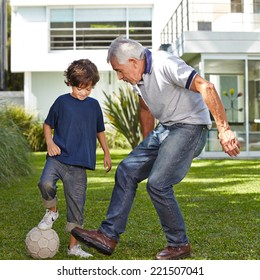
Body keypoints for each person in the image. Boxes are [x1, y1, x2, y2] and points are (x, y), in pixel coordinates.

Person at [71, 37, 240, 260]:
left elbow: (205, 86)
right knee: (126, 170)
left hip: (191, 127)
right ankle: (108, 236)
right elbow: (145, 108)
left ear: (133, 61)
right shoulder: (137, 79)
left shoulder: (164, 63)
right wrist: (147, 144)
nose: (119, 77)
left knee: (158, 183)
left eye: (119, 71)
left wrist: (224, 129)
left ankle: (179, 244)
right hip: (167, 128)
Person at [37, 59, 112, 258]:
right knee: (45, 183)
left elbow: (100, 131)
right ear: (71, 83)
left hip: (79, 164)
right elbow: (47, 124)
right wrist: (50, 143)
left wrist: (106, 152)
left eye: (89, 88)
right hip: (58, 157)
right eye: (81, 88)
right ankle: (52, 211)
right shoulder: (61, 102)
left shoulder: (94, 106)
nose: (85, 92)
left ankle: (73, 247)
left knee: (76, 207)